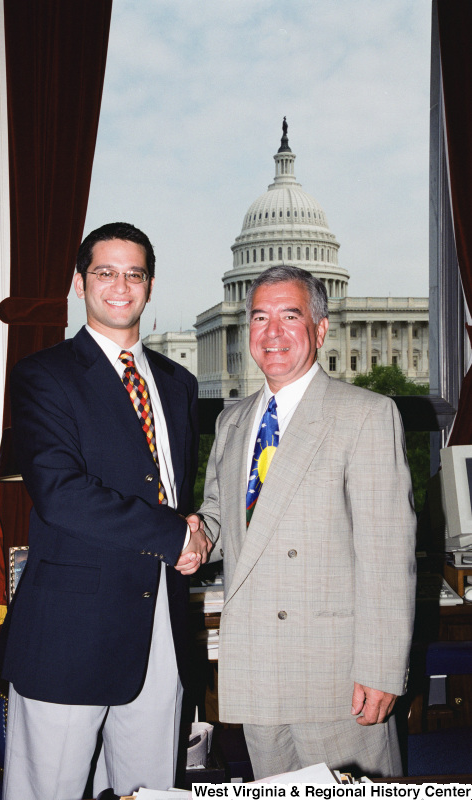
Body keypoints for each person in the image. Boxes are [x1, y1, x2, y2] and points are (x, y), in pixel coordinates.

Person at [0, 222, 211, 800]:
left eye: (134, 274)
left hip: (159, 626)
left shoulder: (177, 384)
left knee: (149, 791)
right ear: (78, 283)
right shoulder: (44, 375)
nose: (120, 285)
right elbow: (61, 493)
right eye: (105, 272)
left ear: (149, 285)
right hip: (70, 632)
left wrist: (194, 531)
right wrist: (172, 533)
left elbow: (170, 491)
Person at [191, 265, 416, 779]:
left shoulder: (365, 414)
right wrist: (196, 536)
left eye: (290, 316)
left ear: (319, 329)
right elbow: (224, 515)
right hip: (256, 662)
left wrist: (381, 671)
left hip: (336, 673)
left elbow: (387, 557)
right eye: (260, 318)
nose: (272, 333)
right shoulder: (233, 419)